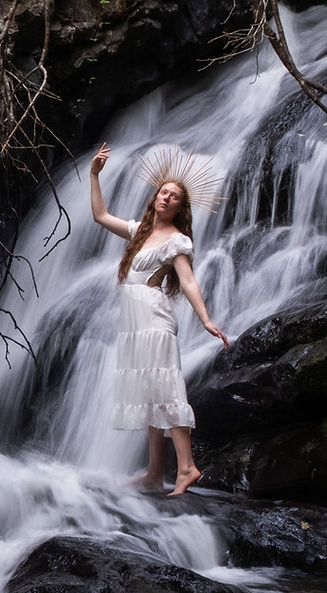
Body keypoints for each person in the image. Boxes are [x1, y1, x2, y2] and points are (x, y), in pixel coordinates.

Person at [89, 141, 230, 495]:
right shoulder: (140, 231)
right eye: (163, 193)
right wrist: (94, 175)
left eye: (174, 197)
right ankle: (155, 474)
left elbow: (188, 281)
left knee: (166, 390)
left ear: (182, 207)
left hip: (154, 318)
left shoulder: (177, 241)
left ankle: (187, 468)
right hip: (135, 322)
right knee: (152, 395)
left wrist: (206, 319)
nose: (166, 198)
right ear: (155, 197)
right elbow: (101, 216)